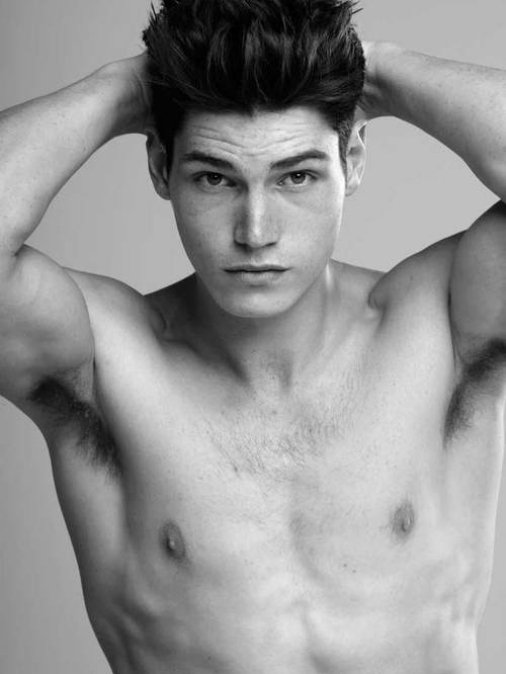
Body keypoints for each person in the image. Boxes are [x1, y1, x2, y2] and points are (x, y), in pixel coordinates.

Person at [0, 0, 505, 671]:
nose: (256, 231)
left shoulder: (444, 326)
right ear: (161, 167)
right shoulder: (107, 364)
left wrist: (380, 71)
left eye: (297, 175)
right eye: (215, 178)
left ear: (352, 160)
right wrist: (126, 89)